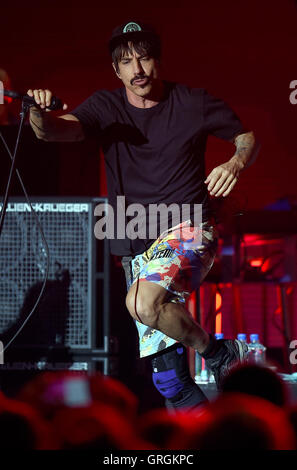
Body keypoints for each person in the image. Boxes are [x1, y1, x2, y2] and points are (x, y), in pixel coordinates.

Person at [27, 20, 259, 410]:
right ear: (116, 71)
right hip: (135, 248)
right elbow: (51, 132)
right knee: (170, 382)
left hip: (188, 230)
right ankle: (203, 438)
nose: (137, 70)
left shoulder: (192, 102)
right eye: (127, 63)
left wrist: (234, 163)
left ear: (159, 61)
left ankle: (217, 353)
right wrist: (35, 110)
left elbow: (246, 136)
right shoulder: (106, 106)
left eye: (145, 58)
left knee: (141, 304)